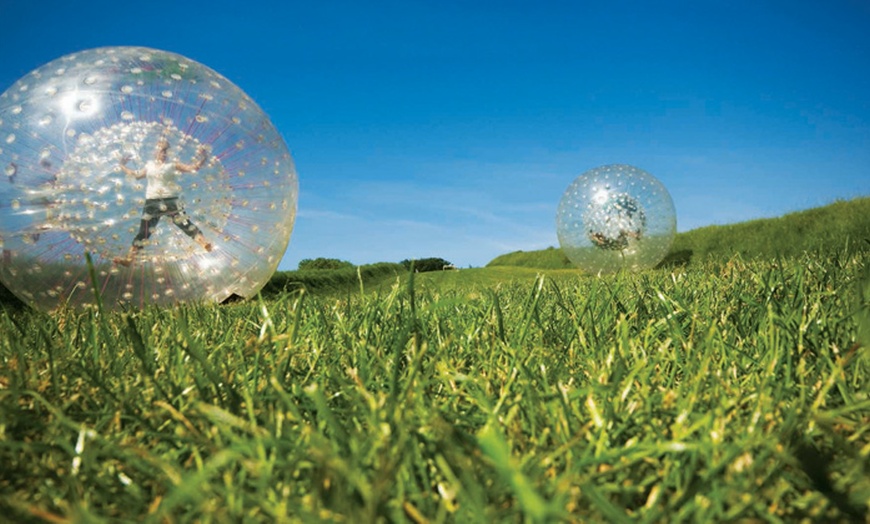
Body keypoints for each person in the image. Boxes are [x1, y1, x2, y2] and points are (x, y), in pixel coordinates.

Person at [113, 134, 213, 266]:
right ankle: (129, 259)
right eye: (161, 150)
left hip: (171, 200)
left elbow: (192, 168)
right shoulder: (149, 165)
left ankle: (204, 244)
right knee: (144, 232)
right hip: (152, 201)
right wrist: (121, 165)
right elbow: (136, 175)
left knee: (185, 224)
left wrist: (203, 157)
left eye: (165, 151)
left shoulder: (173, 164)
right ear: (155, 152)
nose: (163, 153)